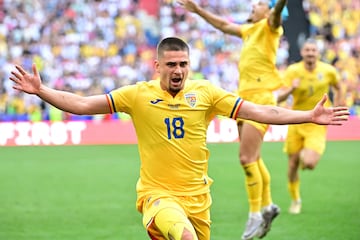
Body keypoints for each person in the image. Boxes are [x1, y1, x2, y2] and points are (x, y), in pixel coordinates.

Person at [9, 37, 349, 240]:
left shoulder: (206, 93)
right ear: (157, 66)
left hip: (199, 200)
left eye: (183, 64)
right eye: (171, 64)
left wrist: (308, 115)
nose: (178, 71)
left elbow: (262, 112)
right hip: (158, 197)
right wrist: (42, 91)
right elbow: (84, 104)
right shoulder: (136, 95)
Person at [176, 0, 288, 239]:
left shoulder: (271, 26)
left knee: (246, 157)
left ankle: (255, 214)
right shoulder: (249, 30)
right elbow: (223, 25)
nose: (253, 5)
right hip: (245, 99)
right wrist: (197, 10)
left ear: (267, 11)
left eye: (259, 3)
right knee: (253, 157)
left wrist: (279, 3)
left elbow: (278, 11)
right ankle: (267, 205)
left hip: (261, 100)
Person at [277, 38, 345, 215]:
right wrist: (291, 89)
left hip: (318, 122)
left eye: (313, 50)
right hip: (297, 119)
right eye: (307, 50)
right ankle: (295, 200)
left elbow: (339, 87)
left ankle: (302, 155)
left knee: (309, 162)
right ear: (302, 53)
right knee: (292, 165)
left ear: (318, 53)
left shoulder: (328, 70)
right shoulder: (293, 71)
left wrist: (337, 105)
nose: (310, 53)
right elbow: (280, 97)